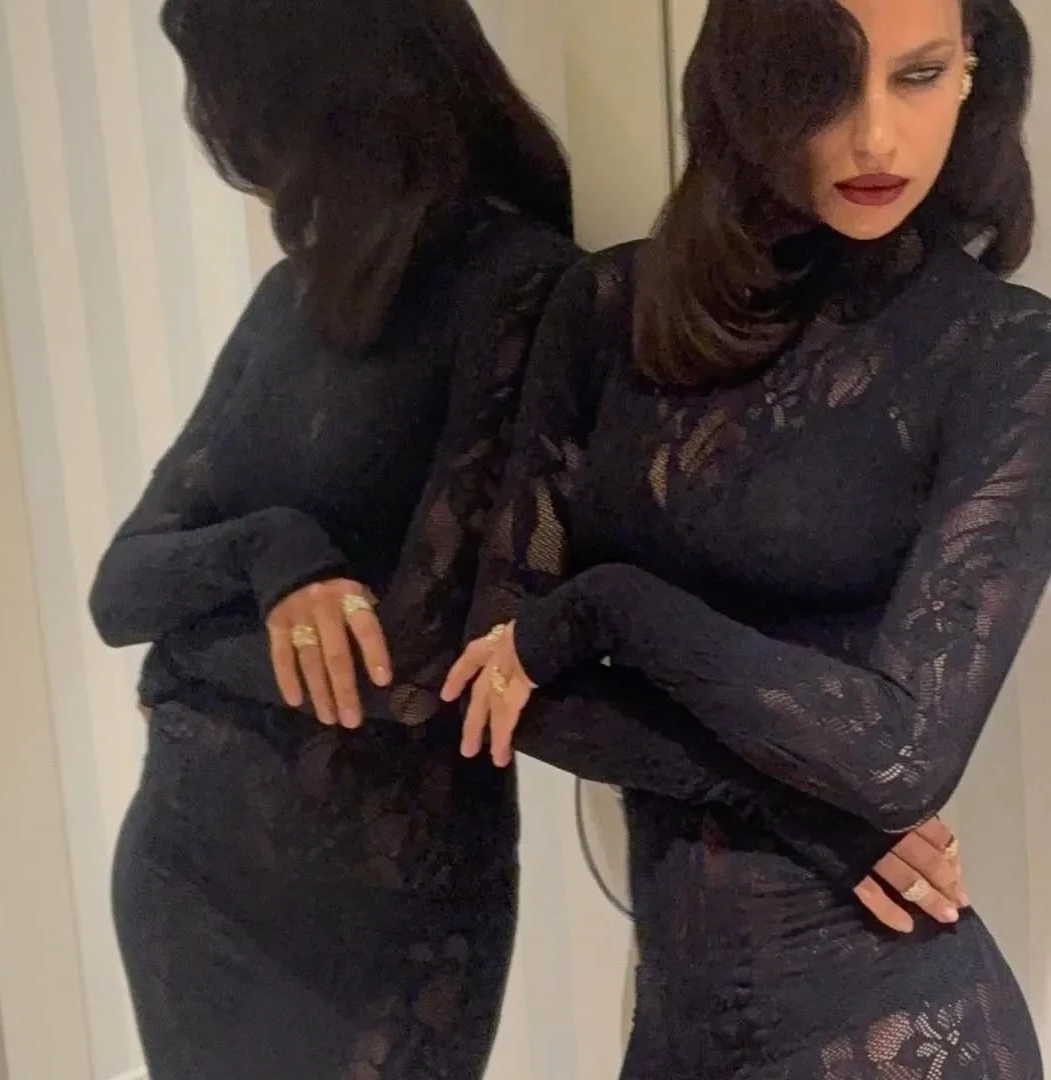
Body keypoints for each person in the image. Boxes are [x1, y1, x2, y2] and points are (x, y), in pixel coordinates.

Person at [444, 0, 1047, 1075]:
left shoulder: (1006, 353)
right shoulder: (609, 308)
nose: (874, 136)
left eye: (916, 76)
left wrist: (607, 609)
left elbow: (898, 758)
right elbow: (499, 685)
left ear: (970, 71)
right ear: (750, 82)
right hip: (675, 1029)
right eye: (826, 81)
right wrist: (795, 805)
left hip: (890, 1034)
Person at [89, 1, 580, 1076]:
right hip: (187, 881)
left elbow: (413, 666)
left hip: (391, 913)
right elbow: (120, 591)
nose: (219, 128)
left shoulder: (521, 283)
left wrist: (183, 666)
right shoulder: (290, 300)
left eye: (226, 93)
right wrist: (273, 552)